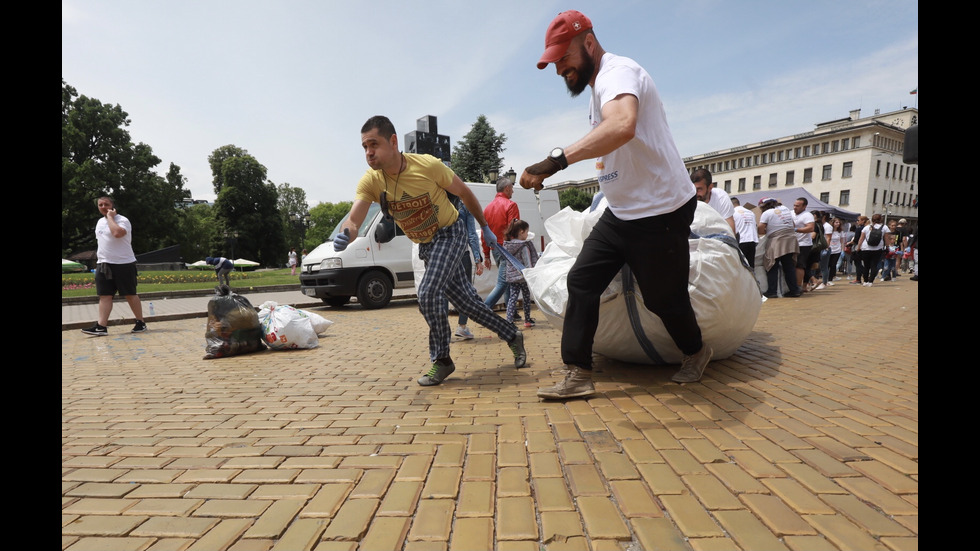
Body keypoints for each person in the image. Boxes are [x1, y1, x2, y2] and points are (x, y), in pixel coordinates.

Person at [523, 10, 714, 398]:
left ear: (589, 43)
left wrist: (556, 160)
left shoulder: (618, 73)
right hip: (622, 213)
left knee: (663, 298)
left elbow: (623, 124)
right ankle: (578, 374)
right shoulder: (598, 90)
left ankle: (696, 351)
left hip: (660, 211)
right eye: (555, 62)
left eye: (565, 57)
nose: (561, 68)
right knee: (581, 281)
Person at [335, 115, 526, 386]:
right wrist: (347, 234)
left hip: (450, 233)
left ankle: (442, 360)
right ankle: (511, 335)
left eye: (374, 144)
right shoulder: (372, 180)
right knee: (468, 303)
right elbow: (354, 219)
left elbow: (464, 192)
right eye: (364, 146)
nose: (369, 152)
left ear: (393, 141)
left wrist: (485, 228)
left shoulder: (427, 165)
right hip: (426, 244)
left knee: (427, 292)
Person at [81, 196, 148, 336]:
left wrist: (110, 218)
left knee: (130, 294)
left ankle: (140, 322)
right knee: (104, 295)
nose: (103, 207)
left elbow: (117, 233)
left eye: (106, 204)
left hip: (123, 263)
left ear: (113, 206)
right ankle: (101, 326)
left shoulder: (122, 220)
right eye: (100, 205)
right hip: (104, 263)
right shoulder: (99, 222)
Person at [482, 175, 521, 316]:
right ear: (507, 188)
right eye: (512, 188)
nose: (513, 191)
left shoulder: (487, 208)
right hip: (507, 249)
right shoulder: (511, 205)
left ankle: (513, 312)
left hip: (495, 249)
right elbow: (514, 230)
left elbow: (484, 233)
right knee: (504, 282)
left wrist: (486, 254)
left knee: (507, 281)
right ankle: (484, 310)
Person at [757, 198, 803, 298]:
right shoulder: (785, 209)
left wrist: (767, 232)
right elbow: (793, 224)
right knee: (789, 266)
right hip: (791, 240)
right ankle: (794, 290)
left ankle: (772, 291)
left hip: (776, 241)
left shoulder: (767, 213)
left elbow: (760, 228)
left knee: (772, 265)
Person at [453, 201, 485, 340]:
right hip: (462, 254)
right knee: (465, 291)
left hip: (443, 254)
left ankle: (441, 331)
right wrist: (477, 259)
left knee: (441, 291)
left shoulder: (439, 199)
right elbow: (471, 234)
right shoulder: (465, 204)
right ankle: (462, 327)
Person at [502, 219, 540, 327]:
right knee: (526, 298)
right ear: (521, 232)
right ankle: (527, 320)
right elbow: (527, 262)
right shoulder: (524, 246)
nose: (528, 234)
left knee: (512, 298)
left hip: (513, 277)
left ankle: (509, 321)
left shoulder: (507, 245)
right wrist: (531, 273)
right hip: (523, 276)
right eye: (527, 232)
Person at [691, 168, 735, 236]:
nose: (695, 193)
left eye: (699, 189)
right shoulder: (688, 198)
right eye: (693, 189)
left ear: (710, 187)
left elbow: (730, 230)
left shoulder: (721, 197)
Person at [856, 213, 889, 286]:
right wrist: (887, 247)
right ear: (881, 220)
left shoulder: (866, 227)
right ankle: (871, 281)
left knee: (866, 265)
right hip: (878, 248)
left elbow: (861, 239)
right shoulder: (884, 227)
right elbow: (886, 239)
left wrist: (858, 248)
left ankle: (865, 281)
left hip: (865, 248)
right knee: (874, 265)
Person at [791, 198, 815, 292]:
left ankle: (798, 286)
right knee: (791, 265)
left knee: (799, 266)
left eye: (797, 206)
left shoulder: (807, 215)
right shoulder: (790, 213)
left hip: (803, 244)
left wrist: (796, 229)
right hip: (791, 243)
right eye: (794, 205)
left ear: (804, 206)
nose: (795, 207)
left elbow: (810, 228)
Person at [731, 198, 759, 268]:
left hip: (741, 241)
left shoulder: (732, 212)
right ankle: (752, 278)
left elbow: (731, 228)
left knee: (740, 266)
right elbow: (755, 225)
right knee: (750, 265)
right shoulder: (750, 212)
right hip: (752, 241)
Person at [847, 215, 869, 284]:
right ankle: (865, 276)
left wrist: (849, 243)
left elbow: (856, 239)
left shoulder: (859, 229)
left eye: (858, 220)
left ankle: (858, 279)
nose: (857, 222)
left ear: (863, 221)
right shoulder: (868, 228)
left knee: (857, 263)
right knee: (863, 263)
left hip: (858, 247)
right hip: (866, 247)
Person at [827, 217, 846, 286]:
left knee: (833, 265)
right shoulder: (829, 231)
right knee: (827, 264)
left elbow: (842, 242)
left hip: (837, 250)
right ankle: (825, 279)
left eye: (838, 222)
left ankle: (830, 279)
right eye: (836, 222)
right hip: (829, 249)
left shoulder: (840, 232)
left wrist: (842, 250)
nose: (838, 224)